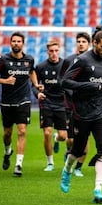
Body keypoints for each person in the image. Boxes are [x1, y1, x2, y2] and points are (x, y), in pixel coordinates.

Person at [59, 25, 102, 204]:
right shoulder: (82, 60)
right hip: (81, 113)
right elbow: (65, 82)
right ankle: (67, 171)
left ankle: (98, 189)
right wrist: (88, 86)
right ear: (95, 43)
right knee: (78, 150)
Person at [0, 31, 42, 177]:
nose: (16, 43)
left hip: (23, 100)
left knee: (22, 131)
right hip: (7, 102)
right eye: (14, 41)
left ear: (23, 44)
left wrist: (36, 84)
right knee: (7, 133)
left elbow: (32, 72)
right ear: (10, 43)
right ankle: (7, 152)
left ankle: (18, 165)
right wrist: (4, 81)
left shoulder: (29, 59)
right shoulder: (3, 60)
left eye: (19, 41)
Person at [33, 41, 67, 172]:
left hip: (62, 104)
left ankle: (57, 138)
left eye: (56, 51)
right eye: (51, 51)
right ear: (47, 51)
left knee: (63, 136)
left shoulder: (65, 65)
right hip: (46, 103)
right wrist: (38, 93)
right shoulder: (41, 67)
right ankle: (50, 163)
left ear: (59, 51)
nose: (54, 53)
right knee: (47, 133)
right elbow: (34, 85)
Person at [61, 32, 92, 177]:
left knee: (86, 137)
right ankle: (69, 151)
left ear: (89, 44)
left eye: (84, 41)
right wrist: (73, 92)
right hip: (71, 104)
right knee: (71, 139)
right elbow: (63, 80)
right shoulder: (68, 60)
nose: (81, 43)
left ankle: (78, 167)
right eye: (78, 41)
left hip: (89, 106)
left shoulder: (94, 61)